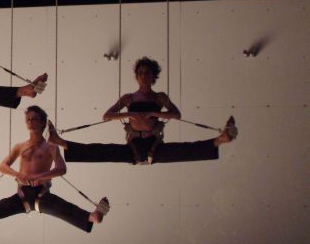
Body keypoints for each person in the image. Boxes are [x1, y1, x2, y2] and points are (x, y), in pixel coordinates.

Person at [0, 106, 108, 235]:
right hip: (22, 194)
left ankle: (92, 217)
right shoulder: (19, 146)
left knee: (62, 208)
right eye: (28, 119)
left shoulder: (51, 147)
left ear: (42, 122)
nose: (30, 121)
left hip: (42, 193)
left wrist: (41, 176)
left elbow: (62, 169)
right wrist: (18, 175)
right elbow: (2, 166)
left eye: (34, 119)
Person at [47, 57, 237, 165]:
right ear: (136, 77)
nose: (143, 76)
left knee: (182, 150)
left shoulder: (159, 97)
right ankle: (59, 141)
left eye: (147, 73)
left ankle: (221, 139)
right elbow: (106, 116)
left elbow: (176, 115)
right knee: (103, 151)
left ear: (154, 77)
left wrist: (155, 114)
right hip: (134, 144)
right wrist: (129, 114)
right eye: (140, 73)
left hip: (154, 142)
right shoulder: (128, 98)